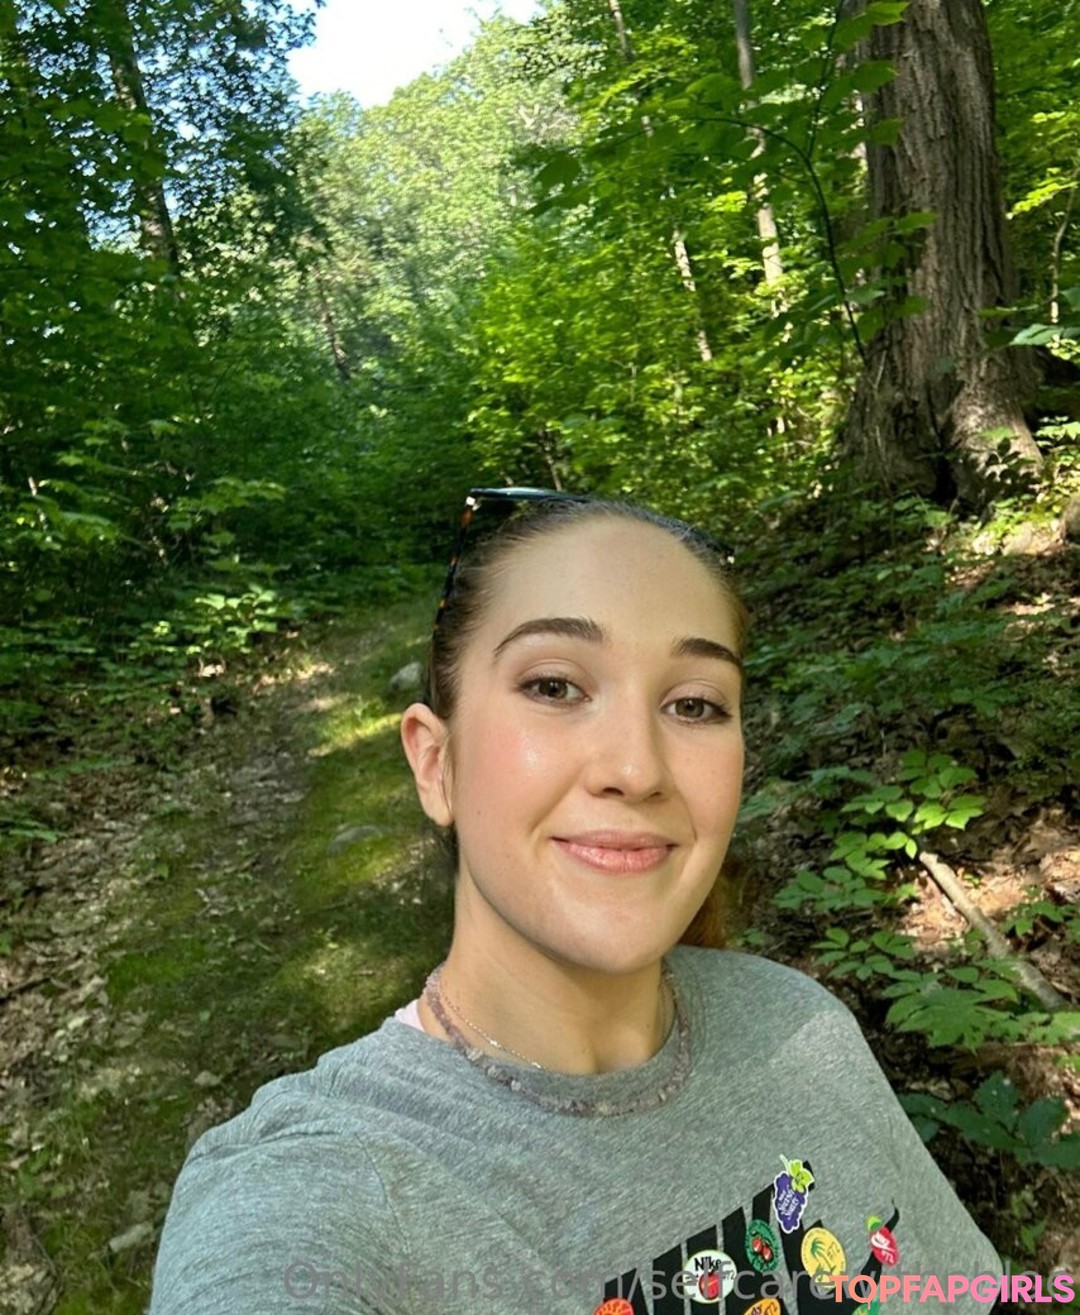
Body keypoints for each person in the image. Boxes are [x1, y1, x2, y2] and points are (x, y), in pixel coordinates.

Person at [149, 491, 1005, 1315]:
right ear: (435, 763)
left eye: (694, 703)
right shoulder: (322, 1185)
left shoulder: (800, 1025)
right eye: (555, 686)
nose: (637, 767)